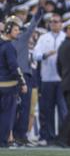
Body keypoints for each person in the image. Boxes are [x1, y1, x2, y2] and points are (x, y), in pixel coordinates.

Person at [32, 13, 67, 145]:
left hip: (62, 79)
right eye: (51, 21)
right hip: (47, 78)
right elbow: (35, 55)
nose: (54, 23)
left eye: (56, 21)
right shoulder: (43, 37)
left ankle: (63, 137)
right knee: (47, 109)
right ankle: (48, 136)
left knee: (63, 109)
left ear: (61, 23)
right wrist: (45, 55)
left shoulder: (65, 37)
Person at [11, 12, 41, 146]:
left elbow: (32, 27)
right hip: (15, 76)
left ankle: (19, 135)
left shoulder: (16, 40)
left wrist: (37, 15)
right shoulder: (11, 41)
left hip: (21, 76)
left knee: (23, 107)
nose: (19, 32)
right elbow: (31, 27)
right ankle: (14, 135)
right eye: (16, 29)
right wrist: (37, 15)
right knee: (16, 108)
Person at [0, 20, 27, 147]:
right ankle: (4, 141)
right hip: (8, 86)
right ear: (8, 30)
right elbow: (14, 67)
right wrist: (22, 82)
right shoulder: (9, 46)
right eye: (15, 30)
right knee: (7, 114)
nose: (18, 32)